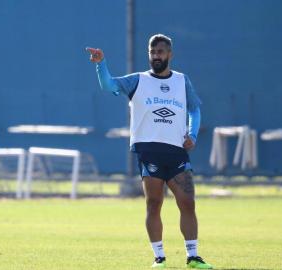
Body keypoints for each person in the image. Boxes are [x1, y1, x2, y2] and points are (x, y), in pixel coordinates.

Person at [86, 34, 213, 269]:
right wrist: (101, 64)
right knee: (154, 203)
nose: (156, 56)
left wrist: (192, 134)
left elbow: (194, 110)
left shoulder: (182, 81)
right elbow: (109, 85)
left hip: (176, 151)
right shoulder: (138, 80)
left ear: (170, 54)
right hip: (149, 150)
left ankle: (193, 257)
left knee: (187, 202)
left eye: (161, 52)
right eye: (152, 52)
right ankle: (159, 258)